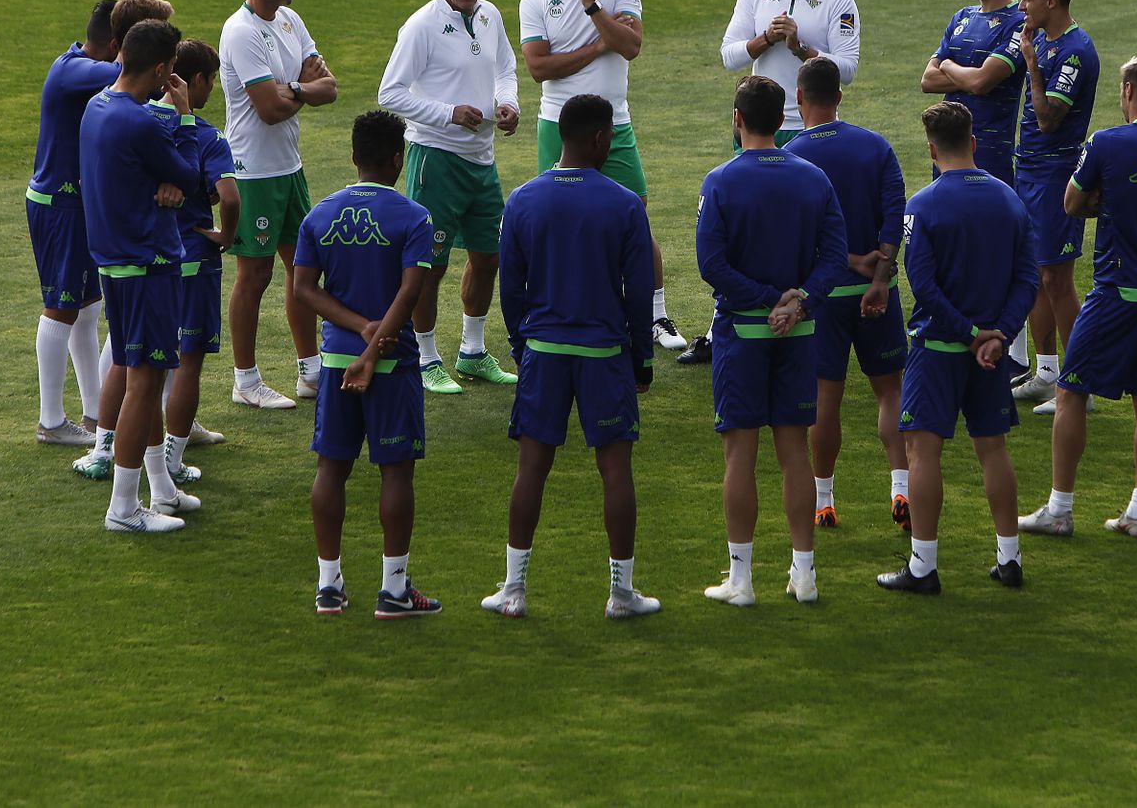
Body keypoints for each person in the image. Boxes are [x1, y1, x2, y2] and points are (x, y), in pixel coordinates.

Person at [482, 94, 661, 621]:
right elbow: (639, 291)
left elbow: (510, 288)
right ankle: (621, 593)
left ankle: (514, 589)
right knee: (615, 471)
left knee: (531, 469)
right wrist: (642, 362)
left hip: (543, 353)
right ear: (601, 138)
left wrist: (522, 345)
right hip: (605, 355)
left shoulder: (522, 200)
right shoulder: (625, 203)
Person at [1019, 56, 1137, 540]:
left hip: (1118, 288)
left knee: (1072, 390)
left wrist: (1106, 200)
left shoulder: (1107, 142)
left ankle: (1059, 508)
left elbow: (1072, 204)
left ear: (1131, 90)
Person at [682, 0, 861, 366]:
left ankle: (803, 314)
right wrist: (765, 39)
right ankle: (717, 324)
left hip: (807, 128)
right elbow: (728, 55)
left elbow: (849, 68)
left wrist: (801, 49)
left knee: (801, 232)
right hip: (758, 125)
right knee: (741, 229)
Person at [698, 76, 848, 607]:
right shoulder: (814, 179)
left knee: (740, 452)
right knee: (793, 451)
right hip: (802, 333)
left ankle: (741, 581)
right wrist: (798, 301)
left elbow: (711, 265)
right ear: (783, 115)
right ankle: (803, 575)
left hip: (741, 333)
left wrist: (765, 300)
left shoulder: (720, 180)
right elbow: (834, 259)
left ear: (737, 119)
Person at [878, 102, 1037, 594]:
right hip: (990, 353)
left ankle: (923, 567)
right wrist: (998, 335)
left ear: (931, 149)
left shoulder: (921, 205)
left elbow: (923, 286)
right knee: (993, 449)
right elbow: (1028, 277)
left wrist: (969, 336)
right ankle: (1009, 559)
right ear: (973, 142)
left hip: (939, 349)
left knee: (921, 452)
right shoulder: (1009, 199)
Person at [292, 110, 440, 619]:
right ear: (399, 158)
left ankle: (328, 585)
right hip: (393, 366)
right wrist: (376, 345)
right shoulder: (414, 217)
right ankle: (393, 591)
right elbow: (411, 290)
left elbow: (303, 289)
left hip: (336, 363)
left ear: (354, 156)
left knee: (331, 468)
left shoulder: (320, 215)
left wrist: (356, 331)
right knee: (395, 472)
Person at [518, 0, 687, 355]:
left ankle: (655, 314)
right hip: (559, 124)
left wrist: (593, 7)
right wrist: (597, 45)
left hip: (615, 123)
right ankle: (555, 309)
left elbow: (631, 45)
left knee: (636, 213)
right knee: (557, 220)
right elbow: (539, 68)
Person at [377, 0, 521, 396]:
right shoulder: (421, 26)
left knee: (488, 256)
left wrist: (508, 103)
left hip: (482, 159)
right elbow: (390, 93)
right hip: (435, 159)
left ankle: (473, 352)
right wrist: (449, 113)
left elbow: (505, 69)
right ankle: (426, 357)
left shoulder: (489, 15)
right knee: (430, 263)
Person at [80, 19, 202, 532]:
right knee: (146, 382)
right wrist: (186, 118)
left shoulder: (98, 106)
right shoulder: (141, 122)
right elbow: (193, 177)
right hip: (147, 263)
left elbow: (160, 169)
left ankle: (162, 489)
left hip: (116, 260)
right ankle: (124, 509)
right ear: (159, 68)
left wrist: (165, 176)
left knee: (141, 379)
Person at [782, 58, 910, 530]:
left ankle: (824, 499)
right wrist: (880, 273)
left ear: (799, 98)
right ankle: (901, 488)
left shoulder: (792, 153)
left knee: (825, 399)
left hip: (824, 297)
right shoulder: (876, 146)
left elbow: (797, 231)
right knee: (890, 390)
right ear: (839, 96)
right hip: (879, 291)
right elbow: (894, 211)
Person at [220, 0, 338, 410]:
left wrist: (296, 88)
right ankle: (245, 380)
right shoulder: (241, 32)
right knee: (255, 274)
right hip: (252, 171)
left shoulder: (291, 21)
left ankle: (310, 371)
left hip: (289, 167)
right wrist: (300, 87)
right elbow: (268, 109)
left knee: (302, 268)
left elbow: (329, 88)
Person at [28, 0, 121, 449]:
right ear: (116, 44)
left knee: (87, 307)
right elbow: (123, 76)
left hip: (74, 205)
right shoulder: (73, 71)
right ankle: (50, 421)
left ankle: (95, 411)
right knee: (61, 306)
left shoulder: (76, 64)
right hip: (58, 206)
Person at [1009, 0, 1100, 416]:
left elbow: (1048, 119)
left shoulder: (1076, 51)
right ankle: (1047, 374)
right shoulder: (1043, 39)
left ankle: (1079, 384)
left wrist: (1029, 64)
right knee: (1034, 274)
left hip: (1055, 173)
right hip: (1028, 168)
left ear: (1051, 1)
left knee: (1057, 280)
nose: (1020, 5)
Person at [157, 40, 238, 485]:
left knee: (143, 359)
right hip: (193, 259)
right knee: (188, 362)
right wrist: (226, 234)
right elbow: (229, 195)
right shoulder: (207, 136)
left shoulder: (141, 122)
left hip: (148, 258)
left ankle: (109, 444)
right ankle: (171, 456)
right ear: (199, 81)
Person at [919, 0, 1027, 185]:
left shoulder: (1018, 23)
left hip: (990, 153)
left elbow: (981, 83)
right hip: (946, 148)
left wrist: (948, 64)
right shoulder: (962, 17)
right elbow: (928, 81)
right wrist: (973, 75)